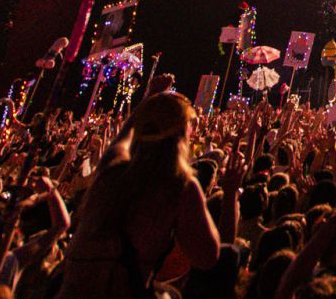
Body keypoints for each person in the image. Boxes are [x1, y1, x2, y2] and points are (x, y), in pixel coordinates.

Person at [55, 93, 223, 297]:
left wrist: (149, 101)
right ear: (182, 133)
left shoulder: (111, 172)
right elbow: (207, 257)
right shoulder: (179, 187)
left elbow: (119, 142)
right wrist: (228, 194)